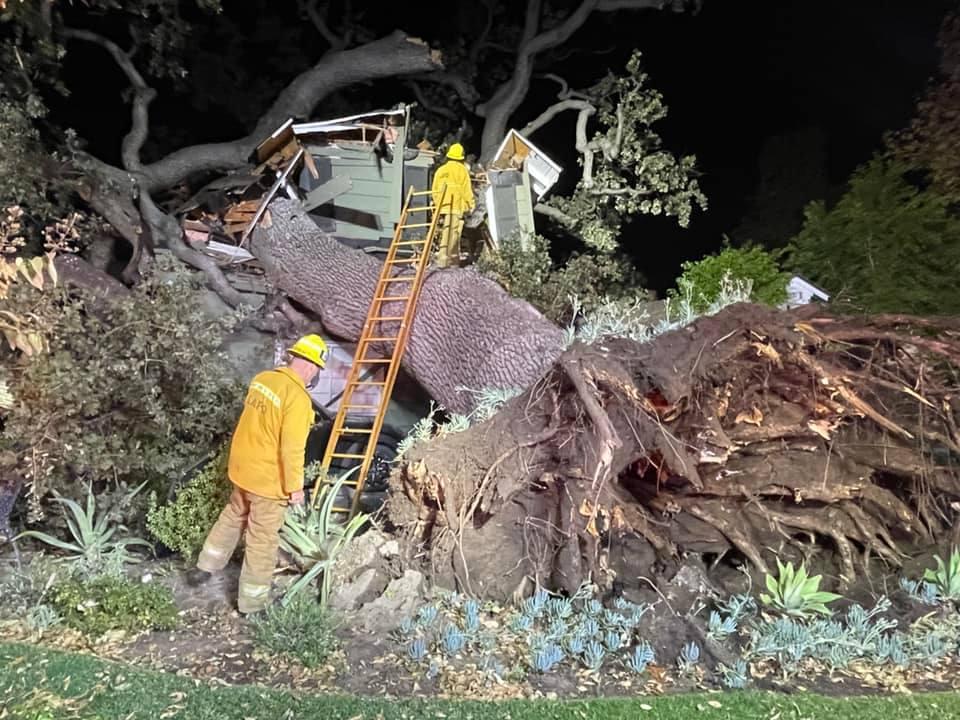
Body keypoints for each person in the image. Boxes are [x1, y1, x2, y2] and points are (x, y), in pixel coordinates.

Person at [186, 334, 328, 614]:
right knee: (262, 539)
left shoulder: (262, 380)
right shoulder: (298, 399)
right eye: (316, 369)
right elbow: (291, 449)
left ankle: (204, 568)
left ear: (293, 357)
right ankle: (252, 603)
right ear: (312, 367)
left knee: (232, 516)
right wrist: (295, 488)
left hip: (242, 469)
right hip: (267, 480)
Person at [430, 142, 476, 267]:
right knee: (454, 234)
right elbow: (466, 189)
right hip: (456, 206)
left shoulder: (441, 170)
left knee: (443, 232)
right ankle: (452, 261)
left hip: (442, 206)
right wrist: (471, 204)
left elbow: (434, 189)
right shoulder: (462, 170)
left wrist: (437, 202)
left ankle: (442, 260)